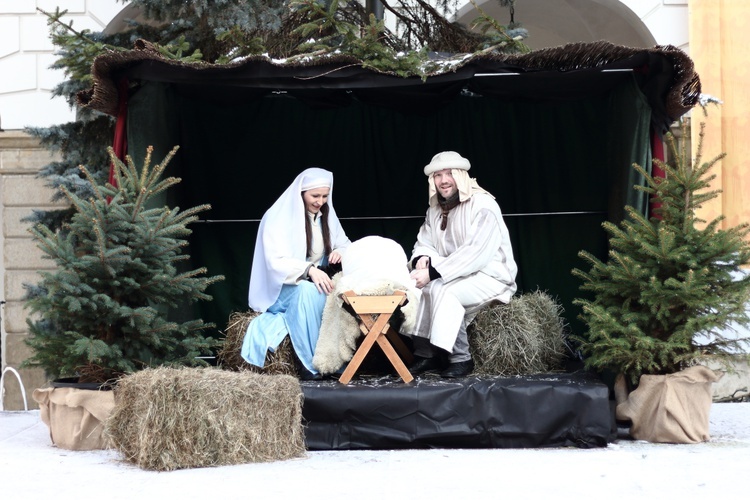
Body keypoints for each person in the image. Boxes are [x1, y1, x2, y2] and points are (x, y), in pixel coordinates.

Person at [407, 151, 518, 378]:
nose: (443, 180)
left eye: (449, 174)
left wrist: (434, 272)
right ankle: (426, 355)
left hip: (490, 276)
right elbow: (424, 242)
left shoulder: (483, 205)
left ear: (462, 176)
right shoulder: (435, 210)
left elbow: (475, 253)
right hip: (455, 273)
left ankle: (461, 358)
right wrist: (422, 259)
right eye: (438, 175)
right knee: (421, 288)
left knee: (445, 291)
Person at [242, 167, 351, 380]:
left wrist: (339, 251)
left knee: (336, 291)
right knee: (308, 293)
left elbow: (346, 244)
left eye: (325, 196)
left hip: (314, 280)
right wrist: (308, 270)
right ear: (301, 193)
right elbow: (274, 262)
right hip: (281, 288)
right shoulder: (277, 217)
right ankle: (311, 363)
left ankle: (333, 360)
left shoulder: (326, 216)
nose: (320, 201)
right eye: (315, 196)